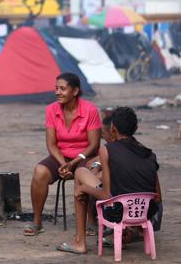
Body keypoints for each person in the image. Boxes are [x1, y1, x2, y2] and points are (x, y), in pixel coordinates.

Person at [56, 106, 161, 255]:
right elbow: (158, 196)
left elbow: (106, 195)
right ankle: (127, 232)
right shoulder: (150, 154)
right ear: (136, 128)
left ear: (113, 129)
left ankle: (80, 242)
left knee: (80, 173)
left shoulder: (107, 150)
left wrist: (84, 188)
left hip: (118, 212)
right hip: (145, 212)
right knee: (123, 187)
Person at [24, 72, 102, 236]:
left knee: (88, 173)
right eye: (56, 88)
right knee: (39, 172)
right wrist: (63, 164)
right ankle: (37, 221)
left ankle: (91, 220)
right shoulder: (51, 110)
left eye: (62, 88)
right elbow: (51, 144)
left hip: (85, 156)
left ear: (75, 91)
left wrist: (73, 163)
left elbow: (94, 145)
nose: (57, 92)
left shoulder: (90, 110)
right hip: (61, 157)